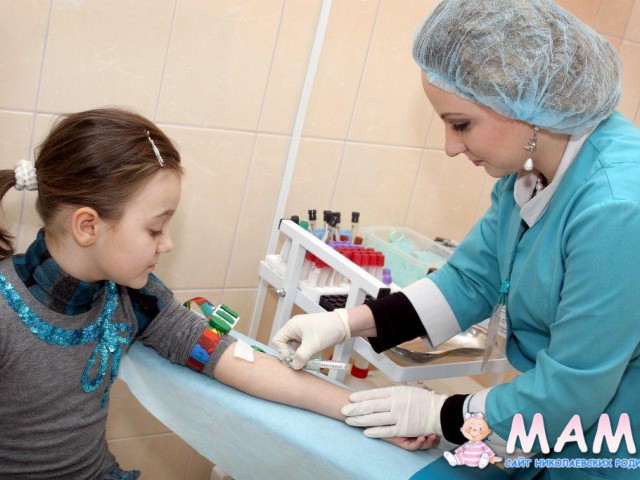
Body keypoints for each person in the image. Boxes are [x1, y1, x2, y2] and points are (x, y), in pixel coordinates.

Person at [273, 0, 640, 478]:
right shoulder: (531, 167)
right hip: (543, 420)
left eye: (461, 124)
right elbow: (473, 279)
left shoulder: (618, 209)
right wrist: (347, 322)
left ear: (525, 104)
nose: (450, 146)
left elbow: (572, 389)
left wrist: (440, 414)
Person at [0, 108, 431, 480]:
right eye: (155, 229)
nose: (167, 243)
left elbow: (233, 361)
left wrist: (367, 412)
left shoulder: (135, 300)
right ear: (87, 226)